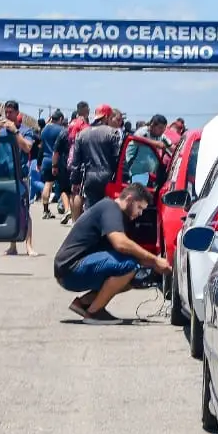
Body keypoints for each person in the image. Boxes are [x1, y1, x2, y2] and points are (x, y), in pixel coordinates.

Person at [52, 182, 170, 325]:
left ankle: (84, 304)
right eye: (139, 208)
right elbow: (120, 243)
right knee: (129, 266)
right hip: (70, 269)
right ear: (130, 199)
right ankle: (94, 313)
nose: (140, 213)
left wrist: (157, 265)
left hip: (73, 270)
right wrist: (154, 260)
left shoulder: (120, 216)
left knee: (136, 276)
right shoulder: (110, 208)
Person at [0, 99, 38, 256]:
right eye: (6, 112)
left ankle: (29, 245)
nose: (8, 115)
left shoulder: (25, 130)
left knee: (24, 210)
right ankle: (13, 245)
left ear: (17, 113)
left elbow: (27, 147)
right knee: (10, 211)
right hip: (3, 175)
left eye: (11, 112)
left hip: (19, 175)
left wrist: (15, 131)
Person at [73, 104, 123, 210]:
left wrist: (75, 181)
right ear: (106, 117)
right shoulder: (113, 133)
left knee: (90, 209)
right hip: (108, 177)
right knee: (107, 210)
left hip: (89, 177)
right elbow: (117, 158)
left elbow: (76, 162)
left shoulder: (82, 134)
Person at [64, 101, 91, 219]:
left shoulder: (72, 123)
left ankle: (74, 219)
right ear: (84, 109)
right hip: (81, 159)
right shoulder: (83, 124)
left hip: (71, 156)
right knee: (79, 192)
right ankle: (77, 219)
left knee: (73, 190)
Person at [39, 110, 66, 219]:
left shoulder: (44, 130)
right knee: (63, 185)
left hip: (46, 159)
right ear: (60, 119)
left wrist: (39, 161)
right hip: (57, 160)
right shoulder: (61, 130)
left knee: (47, 184)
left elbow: (41, 147)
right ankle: (66, 208)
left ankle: (45, 211)